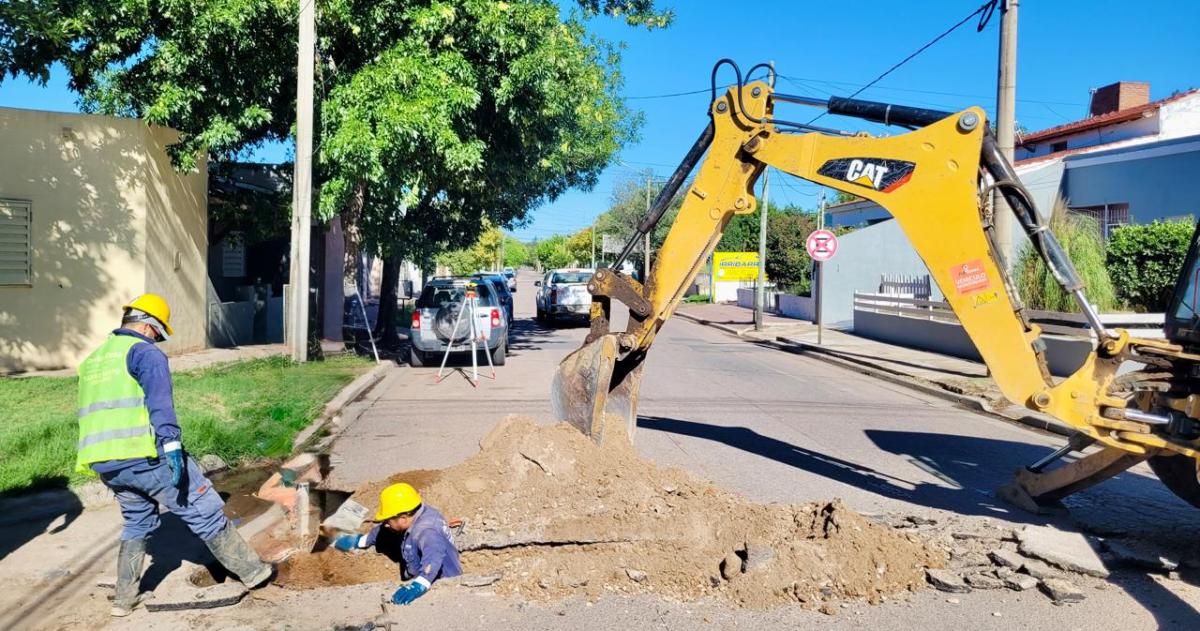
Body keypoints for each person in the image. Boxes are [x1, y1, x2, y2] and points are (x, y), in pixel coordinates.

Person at [76, 294, 273, 616]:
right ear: (149, 325)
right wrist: (171, 447)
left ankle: (124, 601)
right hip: (144, 454)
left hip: (104, 461)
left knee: (137, 522)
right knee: (203, 507)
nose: (157, 339)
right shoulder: (144, 352)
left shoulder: (95, 359)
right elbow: (160, 403)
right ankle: (255, 572)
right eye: (158, 332)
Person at [333, 482, 462, 604]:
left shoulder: (427, 531)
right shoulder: (417, 512)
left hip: (443, 579)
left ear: (403, 518)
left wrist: (419, 585)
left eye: (388, 519)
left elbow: (433, 559)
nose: (386, 523)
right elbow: (384, 527)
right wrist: (361, 541)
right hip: (420, 567)